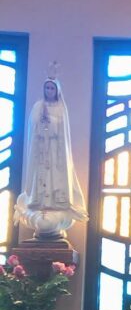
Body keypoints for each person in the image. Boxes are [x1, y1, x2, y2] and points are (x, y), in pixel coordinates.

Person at [15, 77, 88, 237]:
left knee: (55, 177)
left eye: (52, 88)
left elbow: (63, 133)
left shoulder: (61, 108)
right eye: (47, 88)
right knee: (41, 178)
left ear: (57, 90)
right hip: (41, 151)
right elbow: (33, 127)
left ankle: (54, 204)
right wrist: (41, 123)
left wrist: (51, 124)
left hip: (56, 151)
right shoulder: (38, 107)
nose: (49, 91)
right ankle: (40, 205)